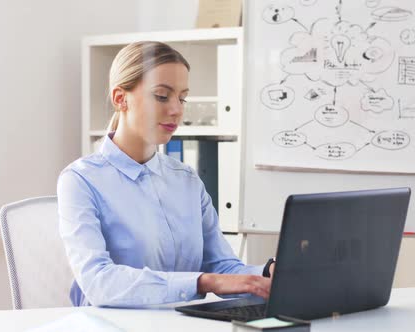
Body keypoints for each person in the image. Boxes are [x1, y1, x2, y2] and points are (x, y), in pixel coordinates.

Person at [57, 41, 275, 307]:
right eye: (162, 96)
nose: (176, 109)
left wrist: (267, 273)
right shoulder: (81, 181)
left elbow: (223, 267)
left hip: (182, 323)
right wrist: (202, 282)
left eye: (182, 98)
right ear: (120, 98)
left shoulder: (186, 180)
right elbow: (99, 282)